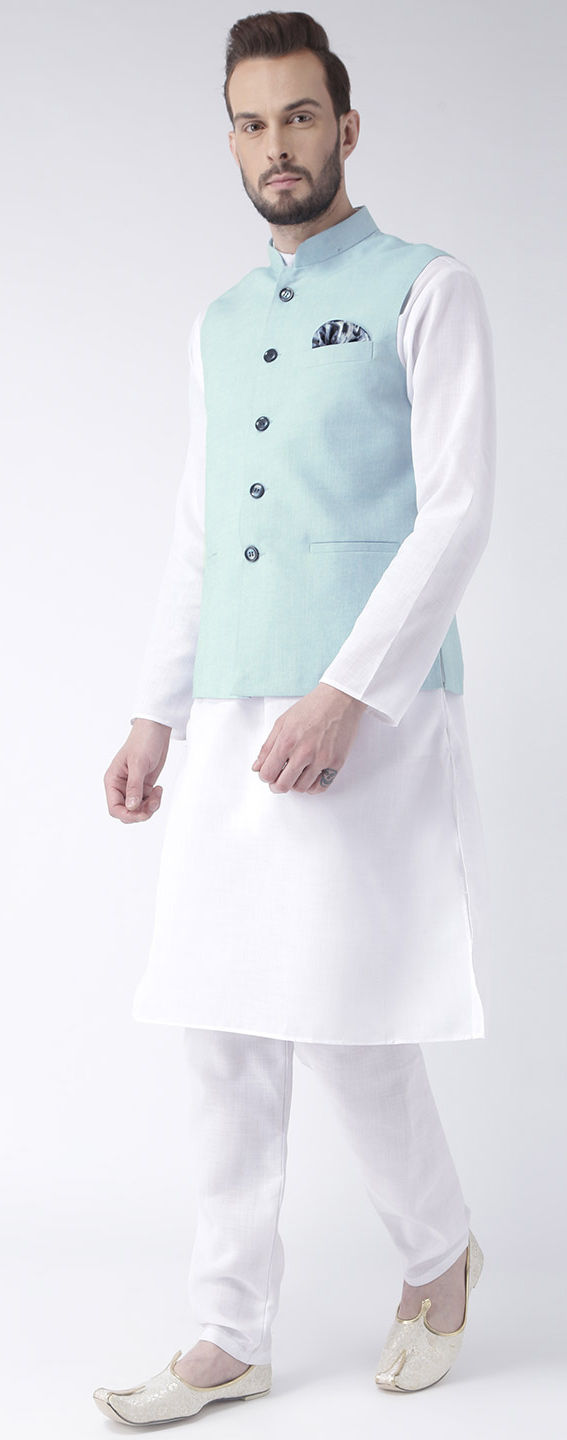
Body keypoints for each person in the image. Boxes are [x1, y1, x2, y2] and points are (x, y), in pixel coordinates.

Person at [96, 9, 496, 1423]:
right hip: (226, 706)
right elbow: (200, 532)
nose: (279, 145)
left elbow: (458, 513)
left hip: (365, 708)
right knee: (217, 1018)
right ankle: (227, 1331)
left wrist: (346, 692)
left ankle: (439, 1260)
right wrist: (153, 713)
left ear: (347, 126)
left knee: (345, 1018)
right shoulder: (219, 322)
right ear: (232, 142)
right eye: (254, 123)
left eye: (302, 116)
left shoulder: (427, 288)